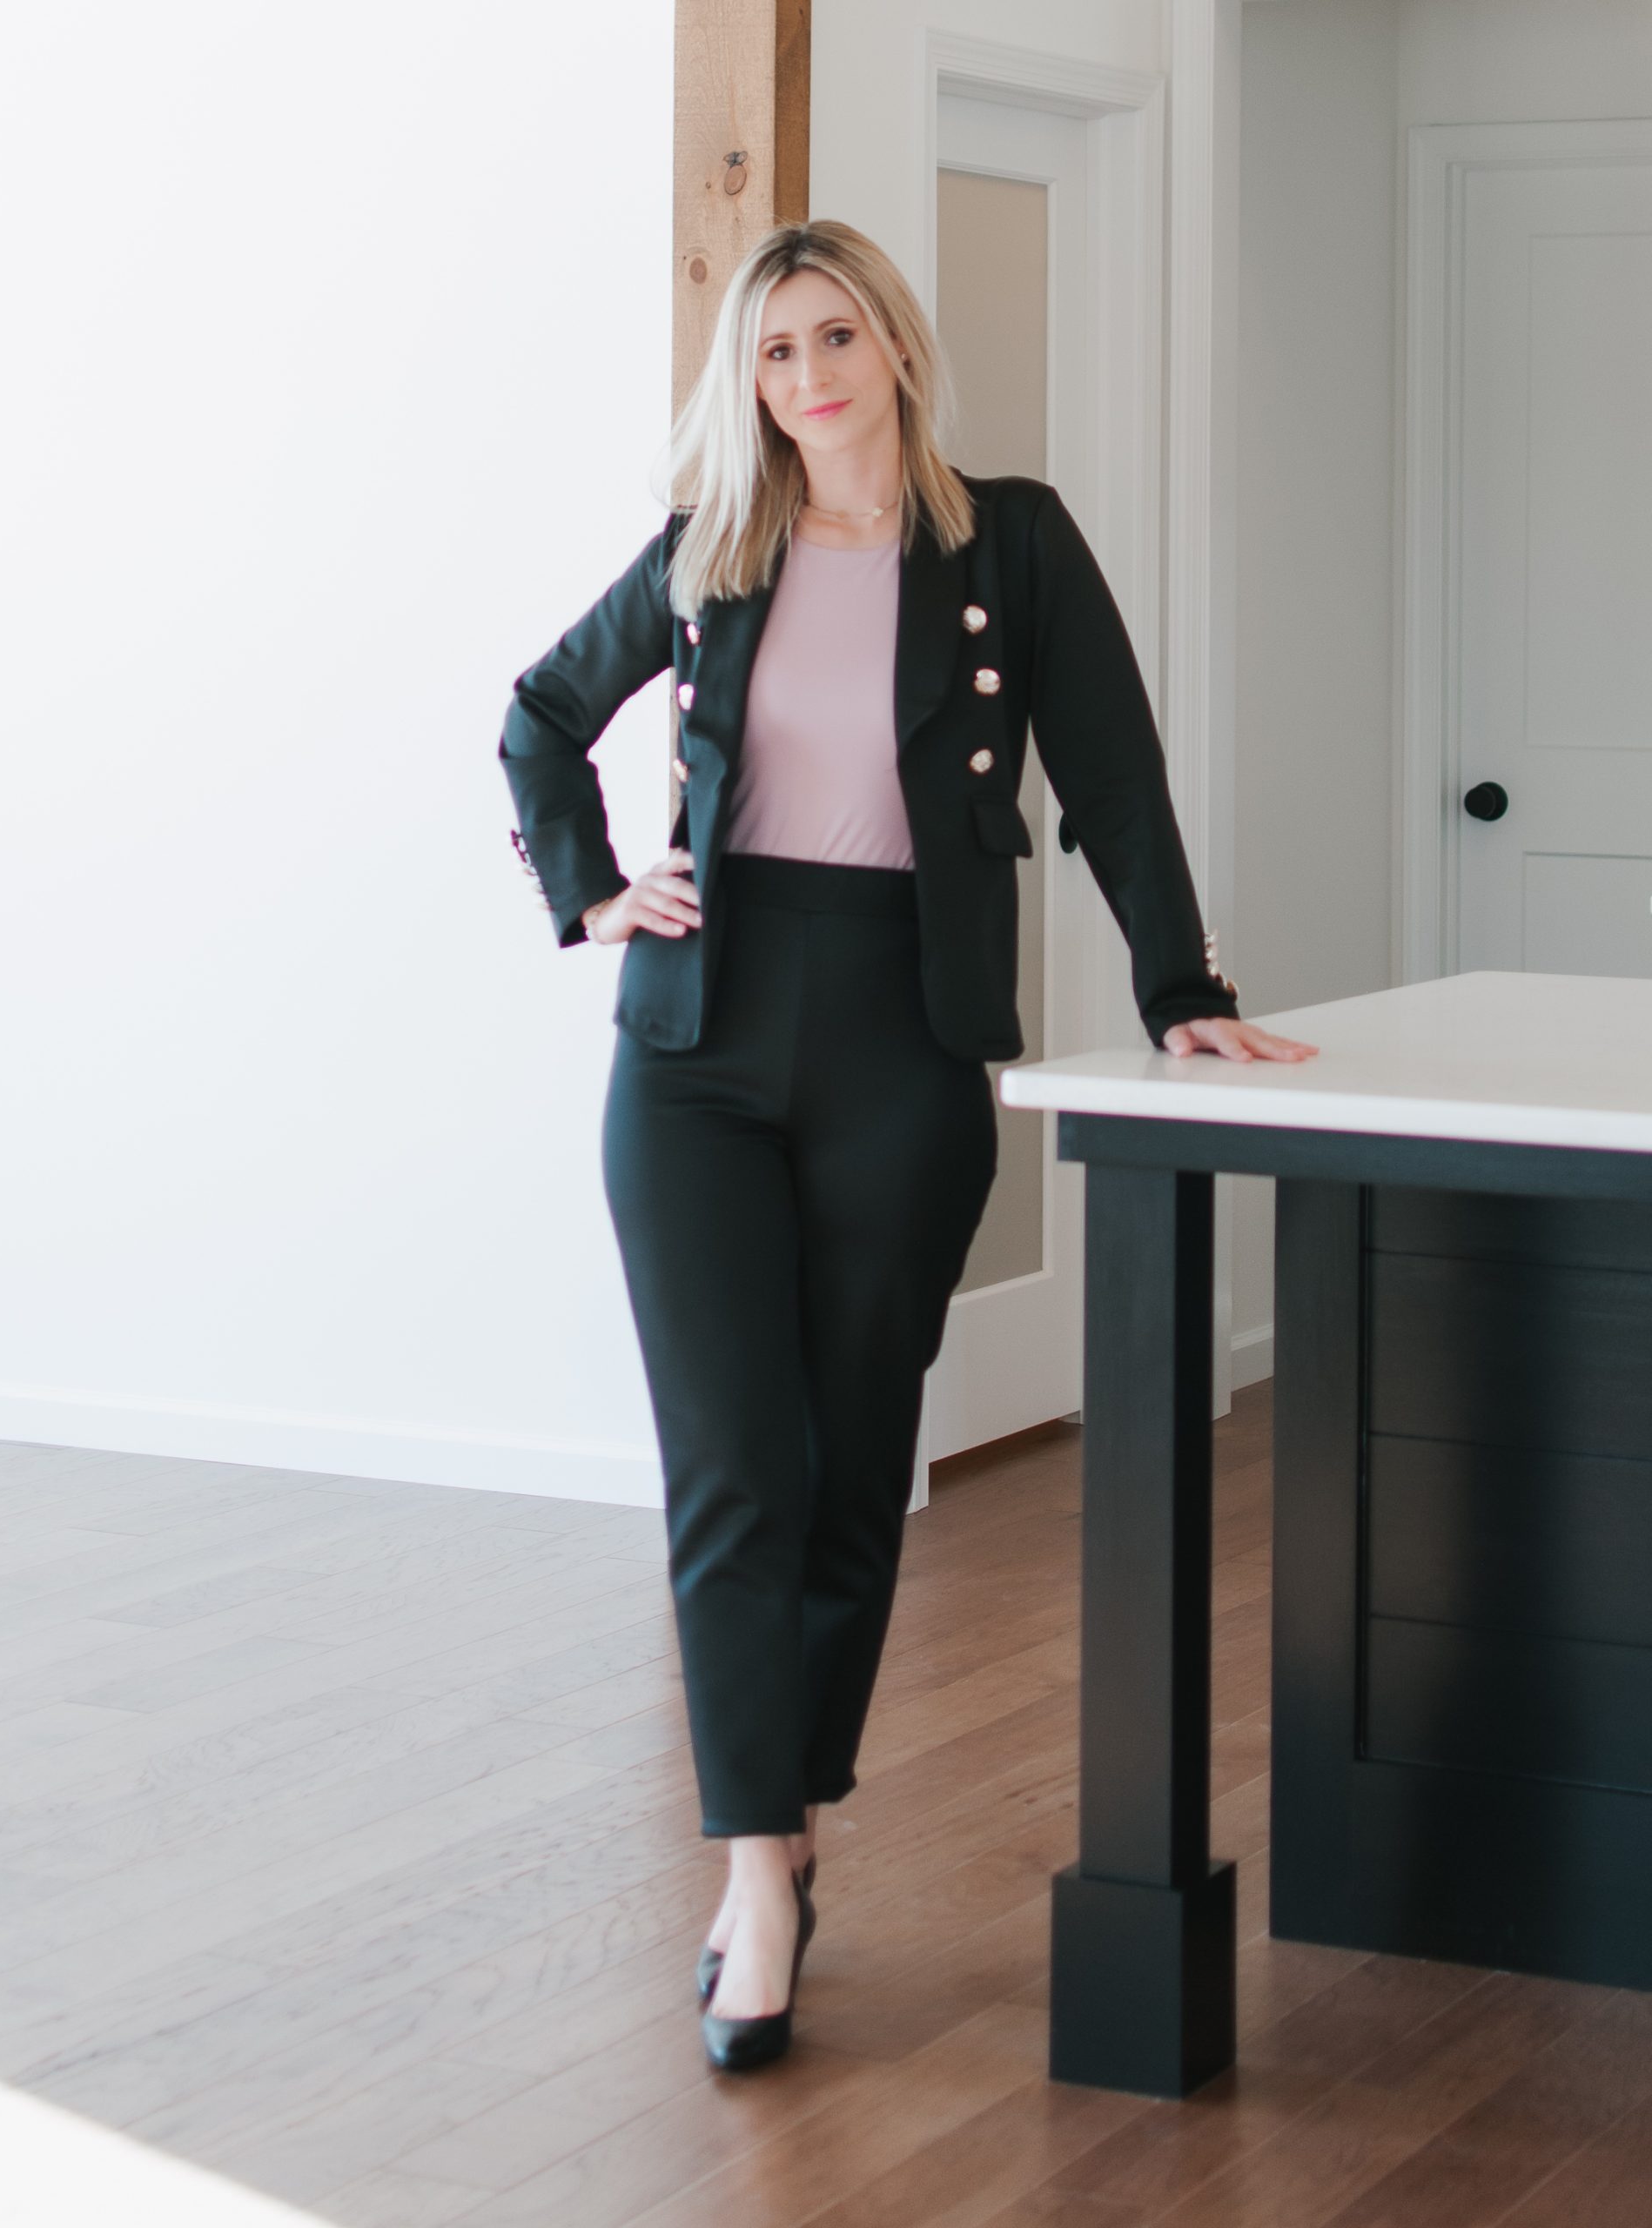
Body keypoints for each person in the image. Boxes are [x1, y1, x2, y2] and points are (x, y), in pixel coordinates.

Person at [498, 218, 1319, 2074]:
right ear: (750, 383)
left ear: (892, 345)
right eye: (774, 352)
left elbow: (1113, 777)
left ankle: (794, 1809)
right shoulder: (712, 551)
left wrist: (1182, 984)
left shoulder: (1008, 544)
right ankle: (758, 1871)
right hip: (696, 1048)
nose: (808, 378)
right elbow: (541, 715)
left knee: (853, 1459)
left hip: (905, 1043)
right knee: (732, 1468)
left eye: (834, 336)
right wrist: (592, 889)